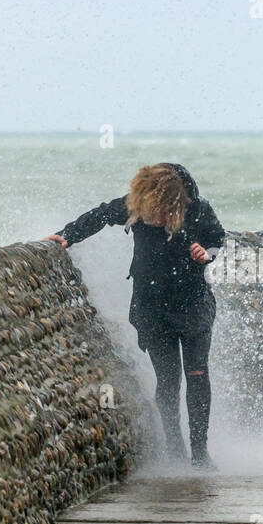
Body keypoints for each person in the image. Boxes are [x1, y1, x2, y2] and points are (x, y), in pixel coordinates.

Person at [46, 163, 224, 469]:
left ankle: (200, 452)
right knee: (168, 381)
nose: (151, 218)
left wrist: (207, 254)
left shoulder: (197, 210)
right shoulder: (135, 205)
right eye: (147, 211)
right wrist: (67, 235)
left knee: (197, 375)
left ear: (175, 204)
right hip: (151, 308)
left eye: (158, 213)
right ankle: (175, 448)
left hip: (193, 305)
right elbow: (100, 215)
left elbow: (219, 240)